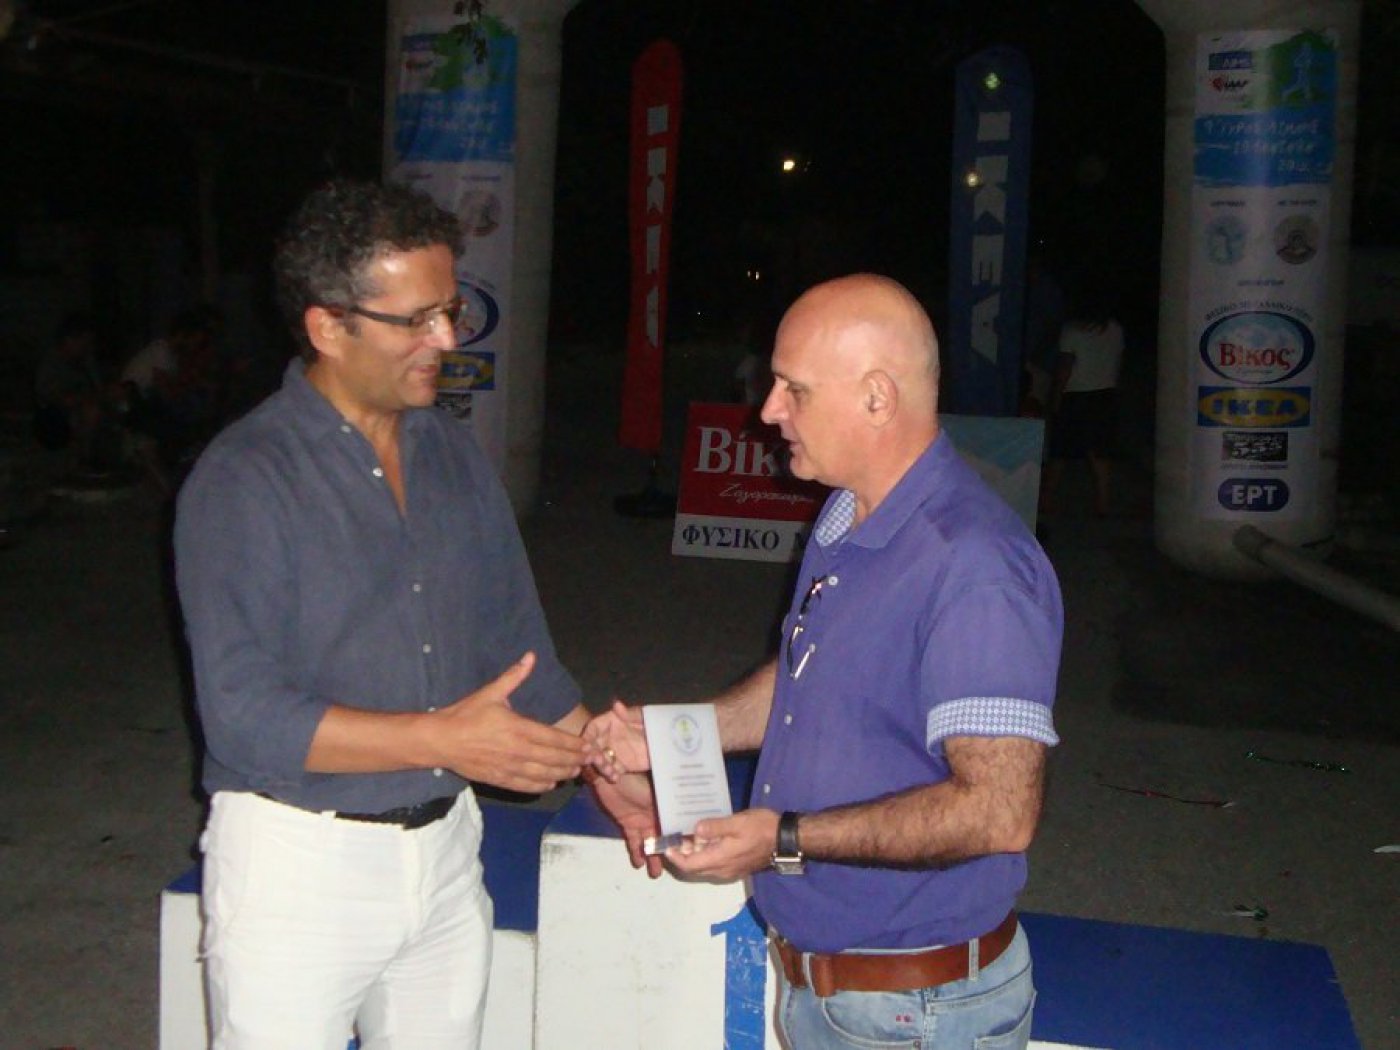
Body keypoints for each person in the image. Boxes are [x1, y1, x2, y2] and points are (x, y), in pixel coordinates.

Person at [587, 274, 1063, 1050]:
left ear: (877, 398)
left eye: (794, 389)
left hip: (919, 1011)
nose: (768, 410)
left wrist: (782, 839)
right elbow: (807, 672)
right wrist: (672, 733)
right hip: (840, 995)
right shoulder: (847, 514)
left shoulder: (974, 566)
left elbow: (998, 813)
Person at [174, 178, 590, 1049]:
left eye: (450, 310)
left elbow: (519, 650)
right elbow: (244, 717)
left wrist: (603, 763)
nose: (447, 339)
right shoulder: (245, 477)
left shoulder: (453, 455)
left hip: (446, 857)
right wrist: (444, 738)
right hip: (299, 869)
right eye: (417, 319)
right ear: (329, 327)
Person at [1041, 285, 1125, 518]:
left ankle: (1047, 499)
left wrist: (1055, 399)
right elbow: (1118, 362)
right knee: (1100, 452)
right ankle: (1103, 502)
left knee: (1061, 451)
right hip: (1105, 395)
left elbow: (1064, 369)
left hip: (1076, 396)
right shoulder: (1115, 330)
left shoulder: (1072, 332)